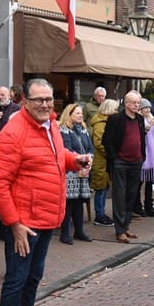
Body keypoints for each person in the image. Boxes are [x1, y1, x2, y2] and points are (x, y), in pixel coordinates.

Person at [0, 78, 91, 306]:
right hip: (24, 223)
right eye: (39, 100)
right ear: (25, 101)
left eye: (49, 99)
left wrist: (74, 160)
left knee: (32, 279)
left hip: (46, 218)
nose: (46, 105)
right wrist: (14, 223)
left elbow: (54, 158)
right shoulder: (12, 134)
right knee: (16, 281)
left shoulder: (51, 125)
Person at [102, 91, 147, 242]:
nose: (136, 105)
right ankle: (119, 230)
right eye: (133, 102)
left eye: (138, 103)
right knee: (120, 196)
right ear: (126, 103)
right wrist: (115, 158)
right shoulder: (115, 119)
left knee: (131, 195)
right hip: (120, 162)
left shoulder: (140, 119)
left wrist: (142, 156)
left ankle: (126, 226)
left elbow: (142, 138)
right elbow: (106, 140)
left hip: (136, 162)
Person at [58, 103, 93, 245]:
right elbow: (67, 149)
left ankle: (79, 231)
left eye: (81, 113)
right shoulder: (64, 130)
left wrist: (89, 161)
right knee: (69, 203)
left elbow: (90, 148)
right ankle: (65, 233)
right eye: (77, 113)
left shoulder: (84, 130)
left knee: (79, 202)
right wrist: (81, 162)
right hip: (70, 172)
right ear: (69, 114)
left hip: (83, 171)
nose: (80, 115)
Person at [89, 99, 118, 226]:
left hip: (105, 161)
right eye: (115, 109)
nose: (117, 111)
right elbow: (99, 143)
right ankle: (99, 215)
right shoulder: (100, 123)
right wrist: (111, 153)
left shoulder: (106, 121)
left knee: (104, 188)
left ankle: (101, 213)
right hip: (101, 161)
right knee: (101, 189)